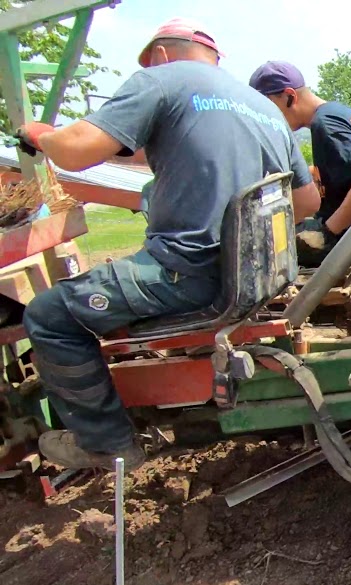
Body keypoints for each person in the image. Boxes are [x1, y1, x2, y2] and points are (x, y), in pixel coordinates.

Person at [14, 19, 321, 470]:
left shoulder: (160, 80)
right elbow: (306, 200)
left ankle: (106, 442)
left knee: (48, 315)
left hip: (187, 273)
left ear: (160, 54)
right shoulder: (262, 107)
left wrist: (40, 134)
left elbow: (76, 150)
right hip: (257, 275)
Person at [248, 61, 351, 265]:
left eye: (268, 108)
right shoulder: (339, 112)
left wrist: (326, 233)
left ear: (289, 97)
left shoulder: (325, 124)